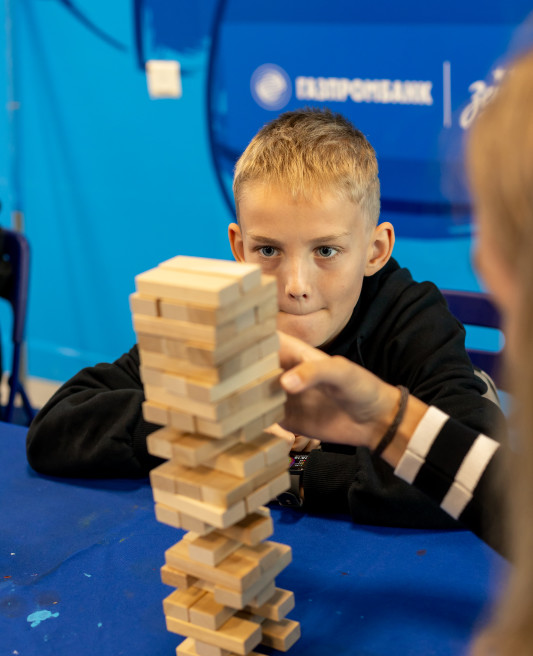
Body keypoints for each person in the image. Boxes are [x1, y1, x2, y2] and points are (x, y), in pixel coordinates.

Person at [26, 109, 502, 532]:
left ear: (375, 250)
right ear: (239, 249)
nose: (295, 284)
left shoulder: (410, 316)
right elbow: (57, 426)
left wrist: (287, 469)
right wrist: (206, 436)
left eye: (327, 250)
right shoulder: (215, 317)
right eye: (269, 250)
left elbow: (479, 476)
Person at [277, 50, 533, 656]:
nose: (294, 283)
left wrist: (297, 466)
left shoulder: (409, 312)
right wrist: (386, 420)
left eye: (498, 233)